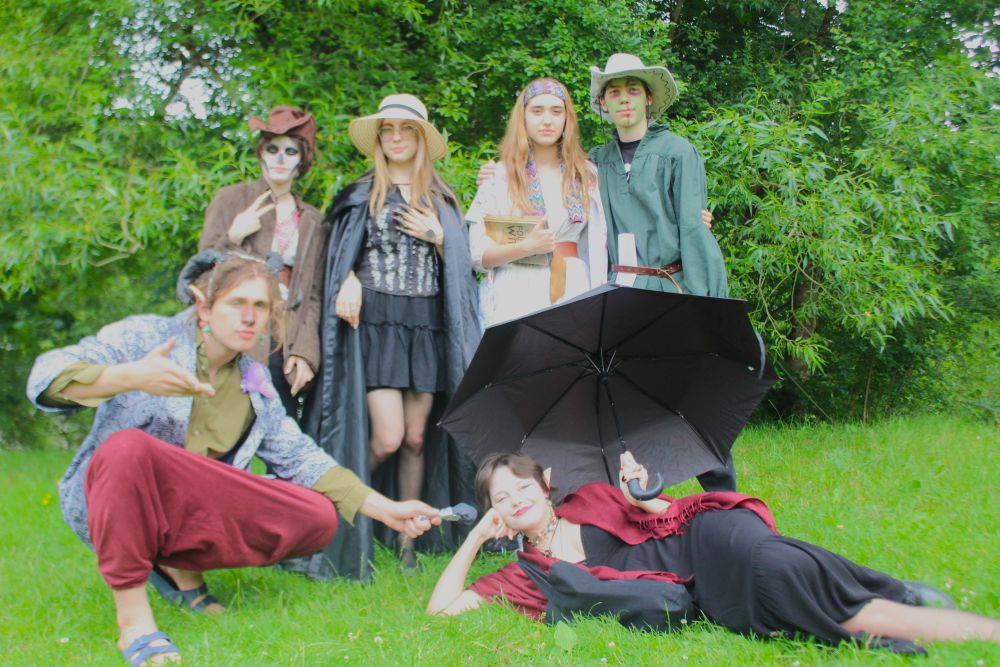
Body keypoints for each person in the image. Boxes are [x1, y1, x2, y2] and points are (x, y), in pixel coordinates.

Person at [27, 252, 442, 667]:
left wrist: (385, 508)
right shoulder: (148, 336)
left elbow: (301, 458)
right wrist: (126, 376)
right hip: (111, 501)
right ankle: (134, 621)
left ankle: (176, 565)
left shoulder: (255, 384)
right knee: (128, 448)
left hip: (183, 514)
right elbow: (45, 374)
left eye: (260, 306)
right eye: (236, 303)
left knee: (316, 514)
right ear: (204, 306)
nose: (249, 317)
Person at [427, 452, 1000, 655]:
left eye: (522, 487)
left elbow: (668, 515)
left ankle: (897, 599)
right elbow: (440, 612)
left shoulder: (593, 497)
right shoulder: (524, 576)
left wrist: (643, 495)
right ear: (496, 513)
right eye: (501, 499)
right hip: (697, 589)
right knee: (779, 592)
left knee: (774, 562)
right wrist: (474, 539)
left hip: (704, 540)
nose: (516, 500)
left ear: (546, 485)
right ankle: (899, 611)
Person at [302, 94, 481, 579]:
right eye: (388, 130)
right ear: (379, 139)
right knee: (386, 437)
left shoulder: (442, 199)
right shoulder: (362, 193)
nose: (396, 138)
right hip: (377, 323)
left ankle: (407, 543)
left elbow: (462, 270)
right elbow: (335, 256)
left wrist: (440, 237)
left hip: (425, 326)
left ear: (421, 139)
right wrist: (347, 279)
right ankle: (345, 519)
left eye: (406, 130)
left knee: (417, 439)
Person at [200, 105, 326, 420]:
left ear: (302, 160)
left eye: (290, 151)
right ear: (261, 154)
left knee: (279, 432)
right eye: (273, 149)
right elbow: (201, 272)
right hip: (233, 335)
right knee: (223, 428)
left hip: (283, 341)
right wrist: (233, 237)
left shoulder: (313, 221)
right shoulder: (231, 200)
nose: (280, 158)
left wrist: (305, 352)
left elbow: (313, 297)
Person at [466, 77, 608, 328]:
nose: (547, 120)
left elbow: (601, 243)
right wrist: (525, 247)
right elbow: (477, 254)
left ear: (567, 118)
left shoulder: (587, 176)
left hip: (573, 288)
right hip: (514, 290)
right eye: (537, 111)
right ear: (523, 117)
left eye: (556, 111)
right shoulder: (500, 177)